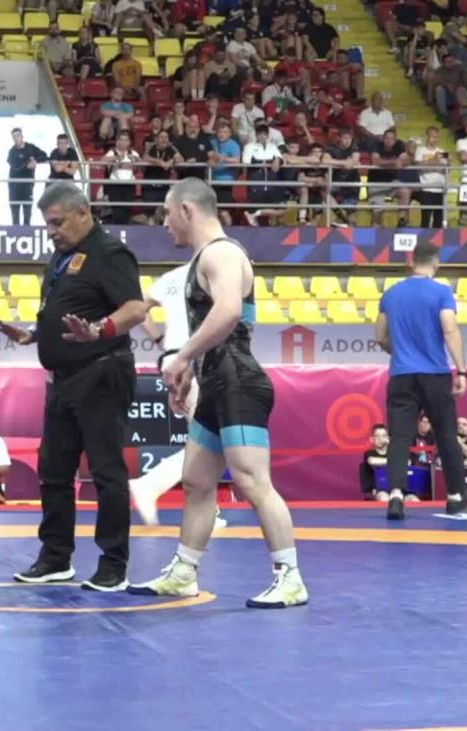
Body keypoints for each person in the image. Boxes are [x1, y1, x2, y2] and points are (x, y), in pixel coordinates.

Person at [127, 178, 308, 609]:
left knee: (253, 482)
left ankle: (290, 578)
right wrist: (191, 371)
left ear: (187, 210)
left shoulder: (221, 253)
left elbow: (227, 312)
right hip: (216, 383)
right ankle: (183, 573)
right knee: (196, 481)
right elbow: (216, 328)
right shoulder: (204, 258)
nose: (164, 223)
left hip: (239, 384)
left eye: (167, 213)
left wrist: (182, 357)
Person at [0, 182, 146, 592]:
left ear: (83, 213)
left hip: (101, 372)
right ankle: (55, 558)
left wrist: (99, 330)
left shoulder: (110, 252)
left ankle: (113, 564)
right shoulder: (62, 256)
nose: (52, 232)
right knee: (54, 471)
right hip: (63, 379)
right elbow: (66, 310)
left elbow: (136, 309)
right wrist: (33, 334)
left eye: (57, 223)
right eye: (47, 225)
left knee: (106, 471)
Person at [374, 242, 467, 520]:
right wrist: (462, 371)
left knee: (399, 437)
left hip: (401, 375)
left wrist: (401, 354)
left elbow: (380, 336)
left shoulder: (391, 293)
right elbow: (450, 330)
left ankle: (396, 494)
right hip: (435, 375)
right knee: (446, 434)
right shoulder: (441, 292)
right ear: (436, 263)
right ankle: (455, 495)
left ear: (411, 262)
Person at [129, 262, 226, 531]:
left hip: (174, 358)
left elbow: (138, 310)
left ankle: (205, 510)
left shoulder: (171, 277)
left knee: (207, 439)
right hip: (194, 359)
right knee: (211, 441)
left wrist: (160, 340)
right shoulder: (216, 269)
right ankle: (150, 485)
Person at [359, 423, 389, 500]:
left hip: (395, 488)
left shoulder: (394, 453)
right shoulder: (369, 453)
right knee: (384, 498)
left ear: (388, 438)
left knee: (412, 499)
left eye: (383, 436)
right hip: (379, 489)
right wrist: (394, 462)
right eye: (377, 436)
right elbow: (372, 461)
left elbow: (407, 463)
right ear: (371, 439)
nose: (380, 439)